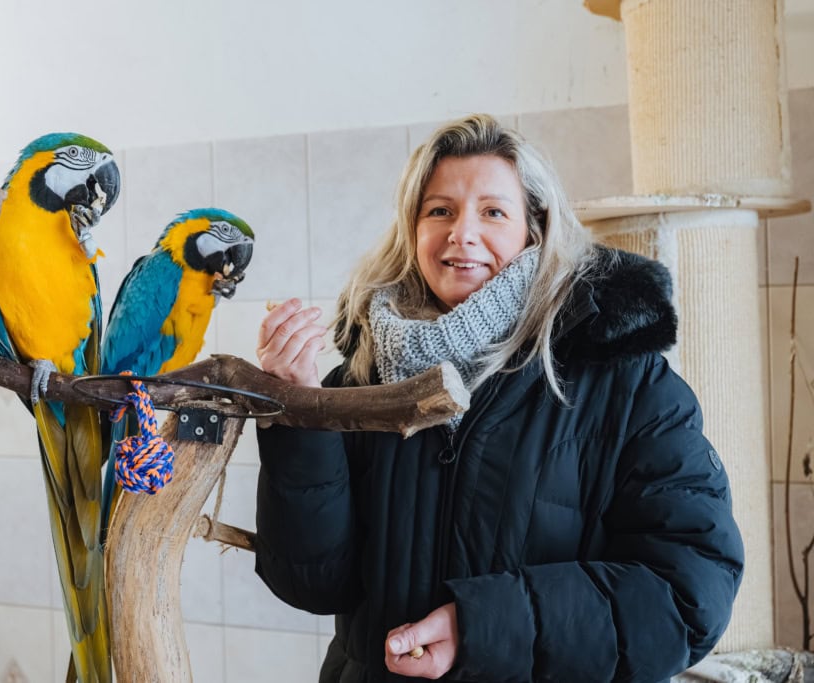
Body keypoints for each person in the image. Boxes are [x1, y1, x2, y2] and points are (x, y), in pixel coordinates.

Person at [252, 114, 744, 682]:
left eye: (493, 211)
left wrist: (482, 626)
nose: (462, 233)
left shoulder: (626, 382)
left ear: (534, 228)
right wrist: (298, 412)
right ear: (412, 230)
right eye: (439, 210)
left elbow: (687, 592)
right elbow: (309, 582)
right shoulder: (359, 381)